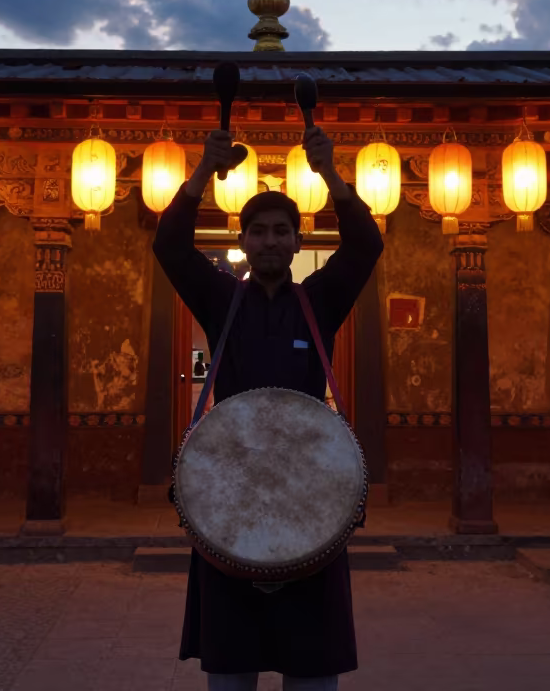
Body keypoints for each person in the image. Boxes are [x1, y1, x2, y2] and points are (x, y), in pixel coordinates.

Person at [153, 125, 384, 691]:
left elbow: (365, 246)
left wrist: (330, 173)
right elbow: (171, 247)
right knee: (231, 671)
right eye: (258, 232)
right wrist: (204, 171)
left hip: (308, 506)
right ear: (244, 242)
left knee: (312, 670)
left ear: (300, 244)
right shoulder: (221, 300)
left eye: (283, 231)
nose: (270, 241)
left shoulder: (321, 301)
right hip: (232, 509)